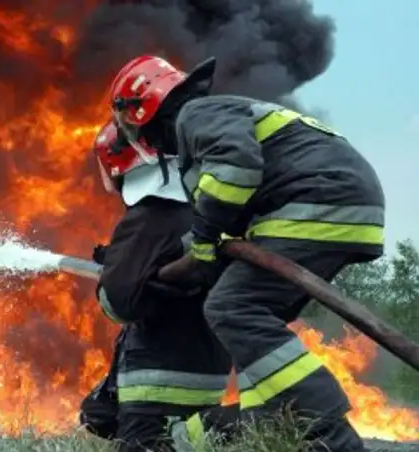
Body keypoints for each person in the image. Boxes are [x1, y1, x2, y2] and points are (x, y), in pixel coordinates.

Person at [105, 54, 386, 451]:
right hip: (338, 202)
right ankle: (269, 416)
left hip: (318, 200)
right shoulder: (214, 117)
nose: (147, 143)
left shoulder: (195, 115)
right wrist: (199, 253)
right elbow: (236, 204)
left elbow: (236, 171)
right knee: (257, 313)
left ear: (144, 111)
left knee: (231, 308)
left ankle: (328, 431)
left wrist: (202, 242)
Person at [79, 120, 239, 451]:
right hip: (209, 372)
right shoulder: (203, 214)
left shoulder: (148, 216)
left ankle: (232, 426)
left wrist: (114, 276)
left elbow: (118, 303)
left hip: (157, 378)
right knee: (97, 414)